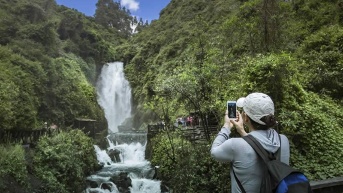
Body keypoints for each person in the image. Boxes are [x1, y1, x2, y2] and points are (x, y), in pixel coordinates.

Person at [210, 92, 290, 193]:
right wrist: (242, 131)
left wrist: (226, 126)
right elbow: (259, 147)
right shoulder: (283, 140)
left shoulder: (235, 145)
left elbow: (214, 152)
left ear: (246, 117)